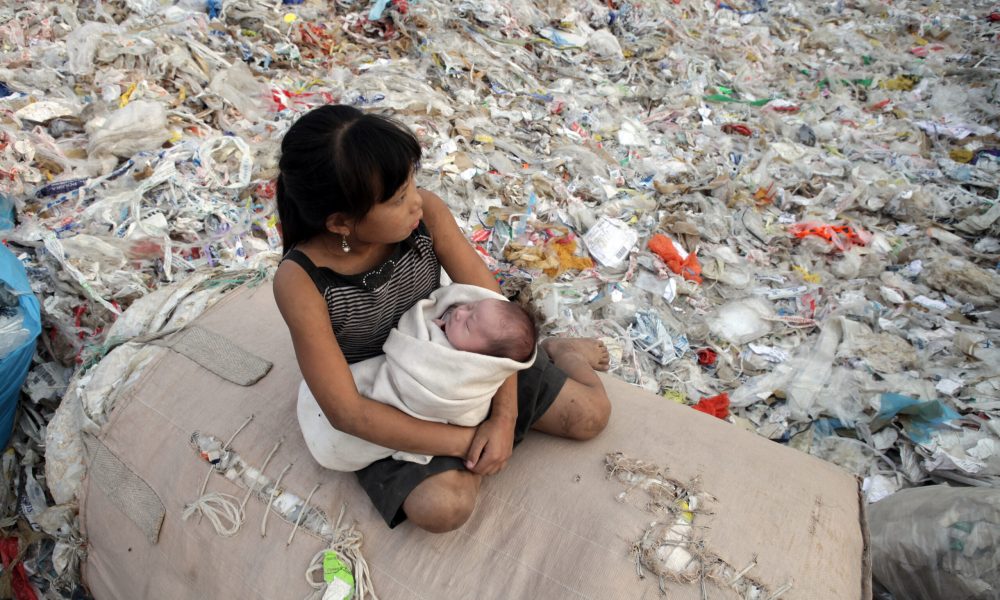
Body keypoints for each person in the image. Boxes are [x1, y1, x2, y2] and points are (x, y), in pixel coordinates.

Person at [273, 104, 611, 533]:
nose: (416, 200)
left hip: (467, 353)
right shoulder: (301, 281)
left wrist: (502, 419)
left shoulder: (425, 215)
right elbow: (348, 413)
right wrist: (472, 440)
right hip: (391, 397)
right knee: (443, 508)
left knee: (591, 416)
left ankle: (556, 350)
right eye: (398, 199)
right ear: (341, 222)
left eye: (412, 183)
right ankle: (458, 448)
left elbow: (492, 301)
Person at [298, 284, 539, 472]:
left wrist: (504, 418)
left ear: (480, 359)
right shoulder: (459, 328)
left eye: (468, 326)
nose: (459, 313)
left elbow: (461, 405)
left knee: (577, 417)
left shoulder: (462, 371)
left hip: (422, 406)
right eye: (470, 307)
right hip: (358, 409)